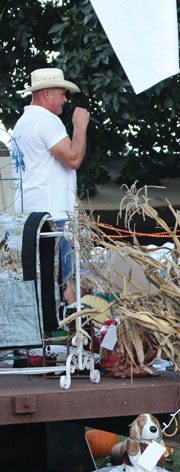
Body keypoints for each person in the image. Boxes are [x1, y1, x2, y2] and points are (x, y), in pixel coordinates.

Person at [12, 67, 91, 304]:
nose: (65, 100)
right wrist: (79, 127)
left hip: (29, 215)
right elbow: (73, 158)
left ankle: (52, 333)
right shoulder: (47, 121)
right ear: (46, 93)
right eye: (62, 93)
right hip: (53, 215)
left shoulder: (22, 123)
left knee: (43, 279)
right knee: (62, 277)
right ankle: (66, 333)